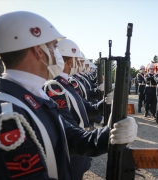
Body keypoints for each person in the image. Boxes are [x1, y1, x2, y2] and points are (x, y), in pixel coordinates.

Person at [0, 11, 138, 179]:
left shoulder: (33, 98)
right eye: (53, 46)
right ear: (38, 50)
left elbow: (71, 139)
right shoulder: (2, 116)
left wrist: (110, 134)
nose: (56, 53)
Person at [42, 39, 111, 179]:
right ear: (69, 61)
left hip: (79, 147)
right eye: (76, 60)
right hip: (72, 151)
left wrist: (106, 102)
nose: (78, 64)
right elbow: (66, 126)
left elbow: (87, 109)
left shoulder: (64, 84)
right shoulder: (54, 87)